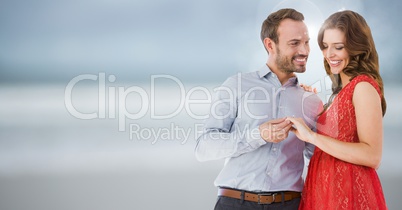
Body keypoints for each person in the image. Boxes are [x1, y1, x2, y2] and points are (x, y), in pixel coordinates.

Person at [195, 8, 322, 210]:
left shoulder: (312, 101)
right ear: (270, 45)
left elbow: (319, 160)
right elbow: (204, 147)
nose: (304, 51)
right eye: (294, 43)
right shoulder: (236, 85)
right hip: (234, 203)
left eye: (306, 42)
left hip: (289, 205)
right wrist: (258, 135)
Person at [287, 10, 388, 209]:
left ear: (356, 48)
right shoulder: (339, 92)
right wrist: (312, 103)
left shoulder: (363, 87)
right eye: (325, 46)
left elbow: (372, 156)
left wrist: (312, 136)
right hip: (325, 192)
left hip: (349, 194)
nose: (329, 54)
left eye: (338, 47)